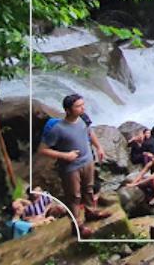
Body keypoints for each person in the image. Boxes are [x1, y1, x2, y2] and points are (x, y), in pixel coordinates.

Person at [37, 94, 111, 238]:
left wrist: (99, 147)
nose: (82, 108)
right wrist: (65, 156)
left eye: (83, 105)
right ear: (68, 110)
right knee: (74, 196)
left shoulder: (84, 118)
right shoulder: (58, 129)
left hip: (87, 160)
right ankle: (77, 225)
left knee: (89, 189)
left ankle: (91, 212)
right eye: (78, 106)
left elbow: (90, 131)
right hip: (70, 167)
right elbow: (42, 150)